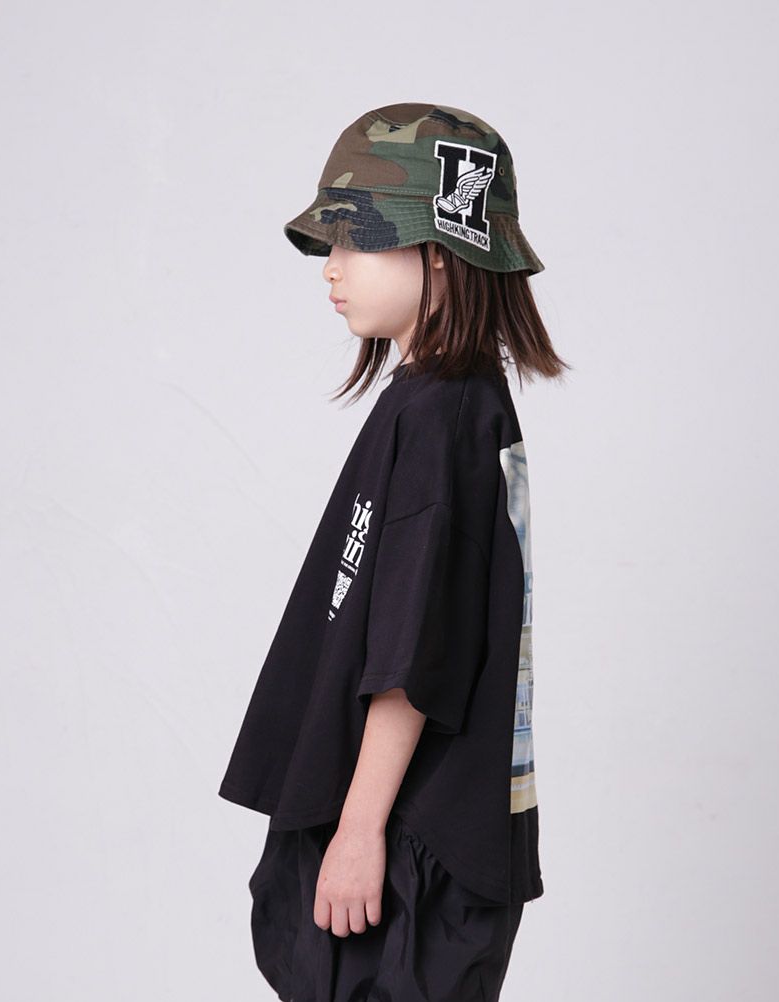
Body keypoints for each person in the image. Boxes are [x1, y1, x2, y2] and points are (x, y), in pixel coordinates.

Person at [218, 102, 570, 1002]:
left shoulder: (441, 415)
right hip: (426, 837)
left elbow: (412, 657)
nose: (331, 268)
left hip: (411, 846)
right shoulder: (452, 401)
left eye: (357, 237)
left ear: (441, 250)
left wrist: (359, 829)